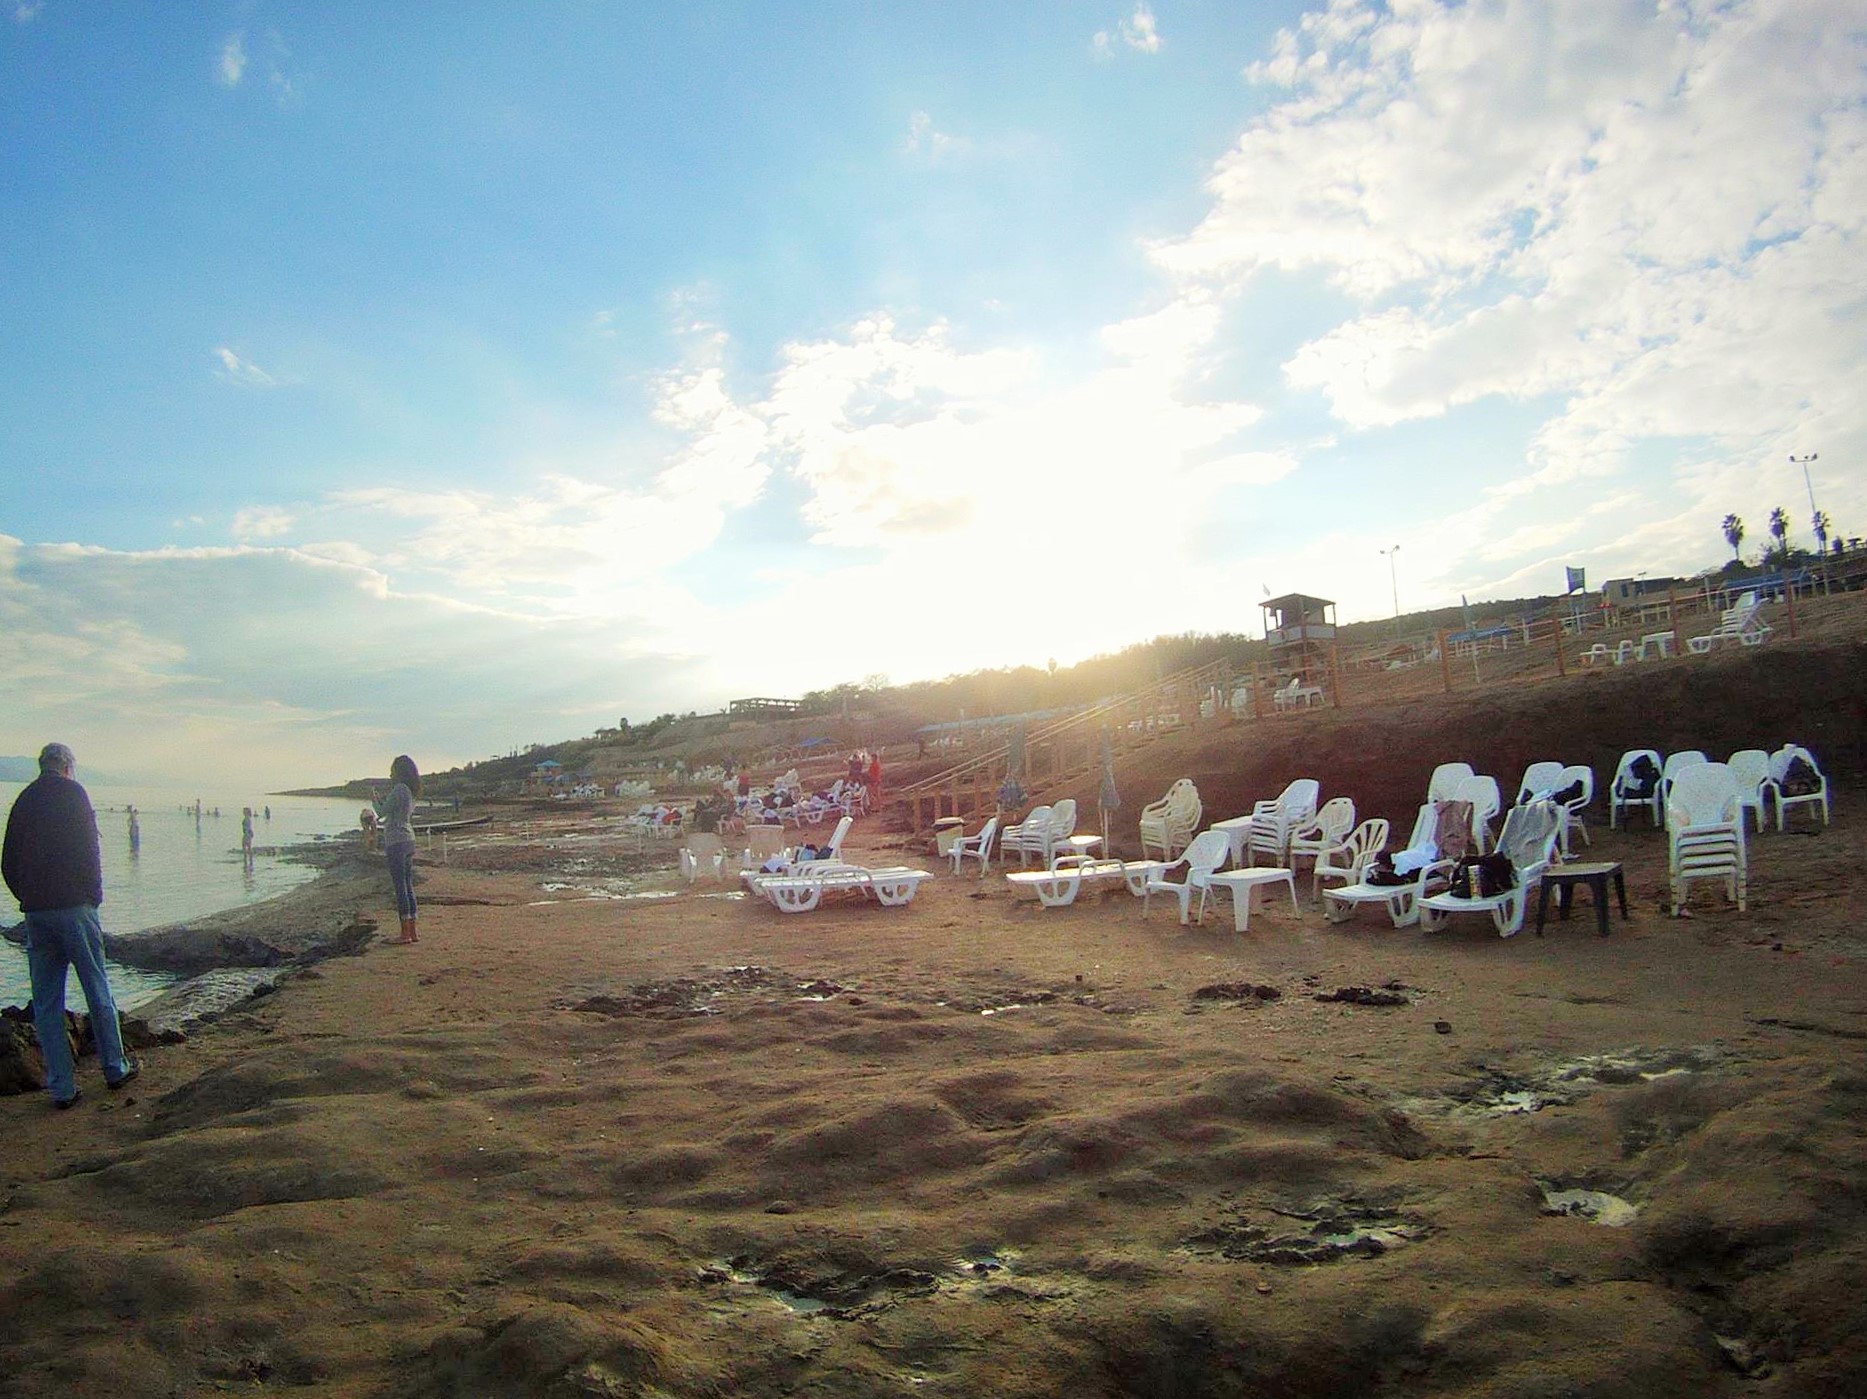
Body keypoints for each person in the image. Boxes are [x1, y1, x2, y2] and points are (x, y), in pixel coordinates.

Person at [1, 744, 138, 1108]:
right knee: (96, 986)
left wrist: (27, 897)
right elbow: (90, 849)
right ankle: (115, 1068)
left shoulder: (24, 799)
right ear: (67, 766)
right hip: (76, 907)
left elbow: (7, 861)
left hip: (38, 912)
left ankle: (62, 1088)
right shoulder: (75, 794)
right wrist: (94, 896)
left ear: (42, 765)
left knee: (47, 1003)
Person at [373, 755, 422, 945]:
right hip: (409, 839)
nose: (390, 774)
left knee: (400, 886)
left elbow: (381, 811)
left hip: (396, 840)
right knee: (408, 885)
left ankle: (404, 933)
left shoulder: (399, 789)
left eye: (392, 771)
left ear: (399, 772)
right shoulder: (410, 791)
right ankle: (413, 931)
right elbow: (396, 812)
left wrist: (374, 800)